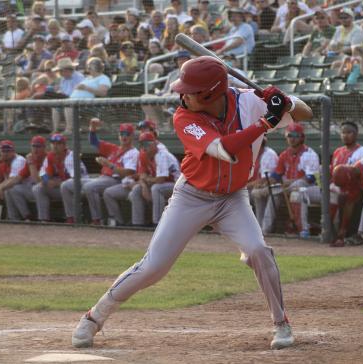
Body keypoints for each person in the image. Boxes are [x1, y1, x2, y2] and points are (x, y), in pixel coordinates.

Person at [71, 56, 313, 350]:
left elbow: (306, 112)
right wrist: (267, 122)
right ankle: (94, 317)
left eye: (189, 90)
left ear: (210, 93)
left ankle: (281, 323)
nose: (182, 94)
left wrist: (282, 100)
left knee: (258, 250)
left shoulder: (251, 102)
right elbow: (223, 149)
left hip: (233, 198)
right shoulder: (183, 117)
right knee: (153, 267)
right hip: (192, 196)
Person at [262, 122, 320, 235]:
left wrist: (288, 183)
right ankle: (265, 230)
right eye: (290, 135)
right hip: (287, 189)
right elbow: (276, 175)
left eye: (296, 135)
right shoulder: (284, 154)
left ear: (302, 137)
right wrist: (265, 184)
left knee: (298, 186)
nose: (292, 139)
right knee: (272, 193)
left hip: (310, 189)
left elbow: (310, 179)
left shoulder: (309, 154)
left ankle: (303, 230)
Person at [85, 121, 139, 226]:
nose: (124, 137)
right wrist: (92, 128)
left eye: (127, 134)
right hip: (103, 178)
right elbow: (94, 142)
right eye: (122, 134)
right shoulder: (113, 148)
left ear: (132, 136)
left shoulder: (133, 152)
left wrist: (109, 165)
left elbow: (128, 172)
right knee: (76, 183)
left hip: (117, 180)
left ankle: (97, 220)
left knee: (89, 187)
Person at [328, 121, 363, 247]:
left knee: (347, 195)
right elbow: (332, 174)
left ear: (356, 134)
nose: (346, 135)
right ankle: (329, 231)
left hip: (356, 189)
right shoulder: (337, 152)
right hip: (337, 188)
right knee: (330, 193)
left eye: (349, 132)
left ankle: (342, 232)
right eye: (343, 132)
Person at [129, 132, 181, 227]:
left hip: (178, 185)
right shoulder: (144, 155)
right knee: (137, 189)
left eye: (147, 144)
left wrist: (147, 180)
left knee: (156, 188)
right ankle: (138, 223)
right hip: (164, 183)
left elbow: (160, 179)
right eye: (142, 144)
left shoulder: (161, 154)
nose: (144, 147)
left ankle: (158, 223)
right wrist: (144, 186)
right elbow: (142, 175)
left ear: (154, 144)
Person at [5, 136, 47, 221]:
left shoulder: (48, 159)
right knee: (11, 189)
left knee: (37, 188)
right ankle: (26, 216)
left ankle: (44, 219)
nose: (35, 149)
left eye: (38, 146)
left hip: (47, 189)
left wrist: (31, 163)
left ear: (44, 147)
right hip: (35, 189)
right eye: (33, 146)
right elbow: (18, 178)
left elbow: (38, 181)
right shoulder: (32, 159)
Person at [33, 133, 71, 222]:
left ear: (64, 145)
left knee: (65, 186)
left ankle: (72, 218)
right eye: (53, 143)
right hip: (60, 188)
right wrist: (47, 180)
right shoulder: (50, 156)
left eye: (58, 143)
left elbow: (76, 180)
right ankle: (44, 219)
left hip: (76, 189)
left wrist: (58, 183)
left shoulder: (71, 156)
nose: (55, 146)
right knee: (38, 188)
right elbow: (42, 174)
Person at [0, 140, 26, 220]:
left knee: (8, 189)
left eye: (8, 151)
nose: (5, 153)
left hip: (23, 186)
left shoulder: (18, 160)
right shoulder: (2, 162)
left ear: (13, 151)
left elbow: (13, 180)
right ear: (0, 152)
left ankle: (13, 218)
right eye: (3, 151)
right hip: (12, 186)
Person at [248, 139, 279, 230]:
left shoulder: (268, 154)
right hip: (252, 188)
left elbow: (266, 179)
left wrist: (242, 187)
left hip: (269, 187)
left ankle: (262, 228)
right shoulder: (249, 153)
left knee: (252, 193)